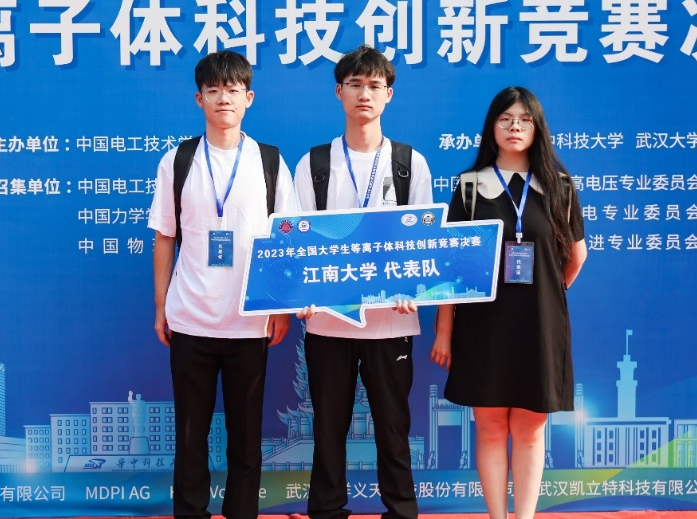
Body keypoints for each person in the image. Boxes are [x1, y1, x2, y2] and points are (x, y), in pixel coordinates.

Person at [149, 50, 299, 519]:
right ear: (199, 99)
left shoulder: (269, 162)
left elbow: (287, 241)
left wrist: (281, 307)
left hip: (249, 322)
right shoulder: (178, 160)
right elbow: (164, 237)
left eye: (232, 90)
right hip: (190, 319)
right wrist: (161, 307)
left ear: (248, 98)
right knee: (190, 437)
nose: (223, 99)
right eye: (212, 91)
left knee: (246, 439)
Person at [430, 86, 587, 519]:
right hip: (483, 325)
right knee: (491, 427)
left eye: (524, 120)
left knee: (531, 428)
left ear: (538, 129)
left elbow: (576, 257)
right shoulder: (469, 188)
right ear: (492, 127)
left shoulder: (559, 188)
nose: (514, 127)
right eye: (505, 119)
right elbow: (452, 268)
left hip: (540, 325)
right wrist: (444, 332)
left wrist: (547, 294)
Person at [292, 45, 433, 519]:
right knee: (328, 426)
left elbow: (423, 241)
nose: (364, 94)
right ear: (339, 92)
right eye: (355, 85)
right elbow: (298, 244)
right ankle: (327, 511)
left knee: (393, 427)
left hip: (392, 322)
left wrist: (413, 288)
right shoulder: (314, 164)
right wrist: (303, 295)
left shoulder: (409, 163)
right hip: (327, 322)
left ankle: (401, 511)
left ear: (389, 94)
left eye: (374, 85)